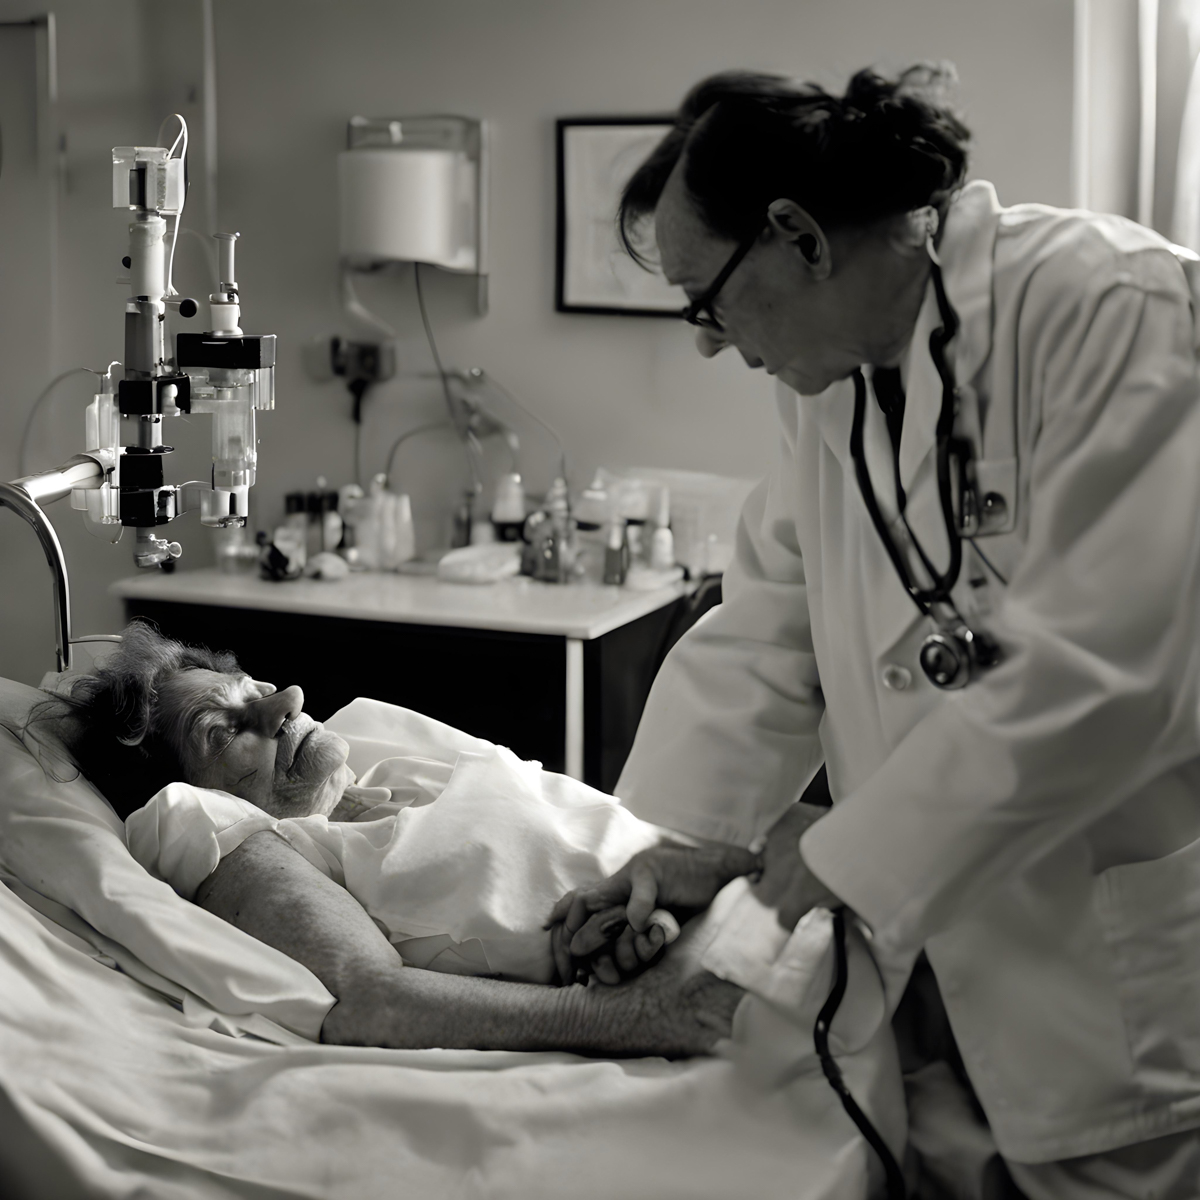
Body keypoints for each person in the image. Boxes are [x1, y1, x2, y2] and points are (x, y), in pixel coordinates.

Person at [564, 63, 1200, 1198]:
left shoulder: (1106, 303)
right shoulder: (830, 384)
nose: (707, 343)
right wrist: (663, 853)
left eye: (707, 303)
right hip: (928, 949)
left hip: (1108, 961)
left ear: (798, 236)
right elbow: (769, 632)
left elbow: (1109, 671)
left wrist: (834, 856)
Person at [39, 620, 757, 1060]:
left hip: (744, 896)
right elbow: (372, 1000)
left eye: (254, 689)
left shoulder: (387, 754)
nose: (286, 702)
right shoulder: (233, 836)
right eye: (223, 731)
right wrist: (636, 1014)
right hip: (714, 986)